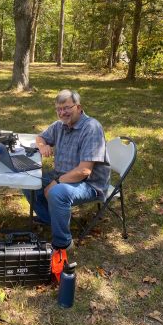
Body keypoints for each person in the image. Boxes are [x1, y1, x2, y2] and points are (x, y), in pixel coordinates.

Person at [24, 89, 110, 251]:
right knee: (28, 182)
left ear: (78, 107)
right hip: (63, 175)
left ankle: (63, 243)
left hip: (90, 184)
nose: (63, 112)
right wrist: (42, 146)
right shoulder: (60, 125)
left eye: (67, 108)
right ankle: (51, 219)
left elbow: (84, 171)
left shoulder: (91, 128)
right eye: (59, 109)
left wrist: (56, 183)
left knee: (57, 193)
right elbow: (40, 137)